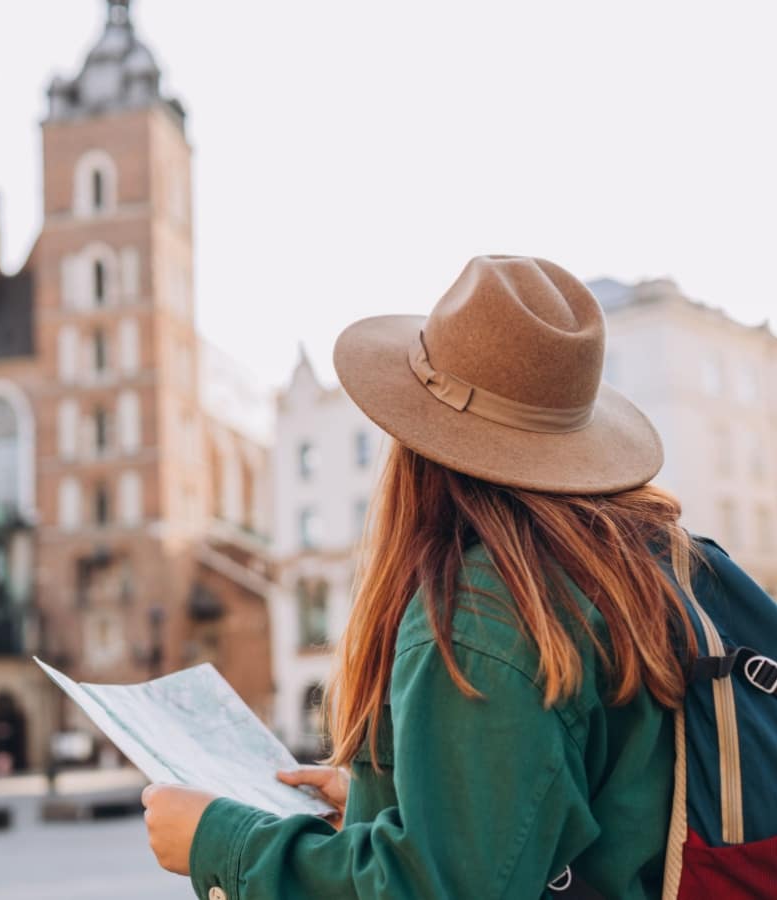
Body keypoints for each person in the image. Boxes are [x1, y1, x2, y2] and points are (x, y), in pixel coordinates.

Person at [143, 256, 701, 898]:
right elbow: (564, 811)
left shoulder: (482, 614)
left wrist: (221, 841)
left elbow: (438, 890)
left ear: (417, 443)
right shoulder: (633, 564)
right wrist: (400, 803)